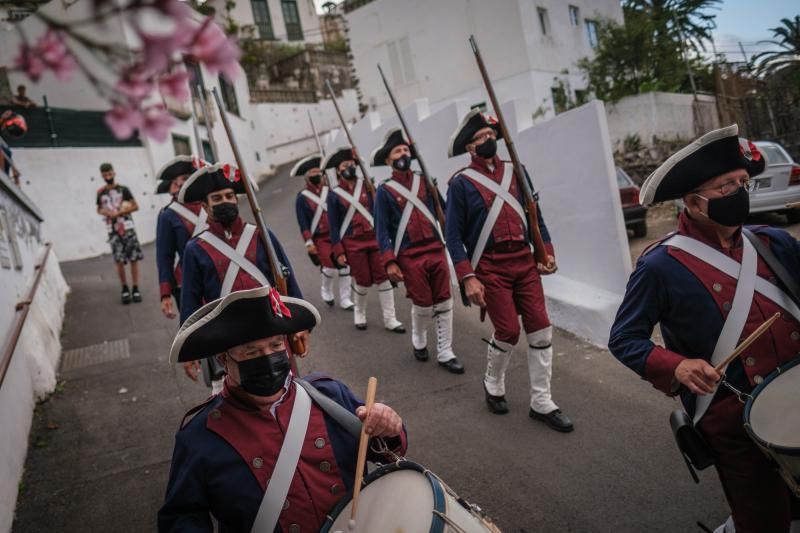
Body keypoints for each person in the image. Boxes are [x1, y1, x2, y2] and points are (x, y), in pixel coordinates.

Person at [609, 124, 800, 533]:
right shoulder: (660, 265)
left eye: (742, 182)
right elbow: (624, 339)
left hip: (798, 398)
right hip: (735, 420)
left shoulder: (774, 241)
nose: (739, 193)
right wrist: (675, 366)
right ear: (693, 203)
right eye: (725, 186)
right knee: (764, 519)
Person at [158, 286, 407, 532]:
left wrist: (387, 427)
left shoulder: (329, 395)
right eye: (252, 352)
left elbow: (384, 452)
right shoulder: (201, 436)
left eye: (276, 345)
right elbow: (182, 517)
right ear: (224, 360)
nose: (267, 357)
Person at [444, 109, 572, 433]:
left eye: (490, 136)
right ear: (470, 148)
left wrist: (549, 252)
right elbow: (454, 236)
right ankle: (493, 383)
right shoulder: (460, 183)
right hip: (489, 267)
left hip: (525, 262)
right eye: (479, 139)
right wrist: (467, 276)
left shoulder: (518, 171)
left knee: (541, 329)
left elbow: (535, 217)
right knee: (509, 332)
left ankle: (542, 401)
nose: (487, 141)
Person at [179, 163, 304, 394]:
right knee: (242, 400)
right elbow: (190, 301)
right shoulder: (195, 248)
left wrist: (300, 323)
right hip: (230, 337)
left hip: (271, 328)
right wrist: (189, 348)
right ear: (206, 207)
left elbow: (286, 276)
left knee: (288, 391)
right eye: (216, 198)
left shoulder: (261, 234)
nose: (225, 201)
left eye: (229, 196)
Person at [372, 128, 464, 374]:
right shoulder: (384, 191)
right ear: (388, 160)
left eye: (405, 150)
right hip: (409, 255)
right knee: (423, 304)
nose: (403, 154)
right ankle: (419, 338)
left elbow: (444, 212)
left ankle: (445, 351)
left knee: (444, 299)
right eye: (397, 151)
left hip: (435, 248)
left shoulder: (425, 180)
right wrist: (390, 261)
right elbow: (381, 231)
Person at [325, 146, 405, 333]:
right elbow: (334, 226)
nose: (350, 168)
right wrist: (339, 251)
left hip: (374, 238)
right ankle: (359, 313)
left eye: (352, 164)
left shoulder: (368, 185)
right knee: (361, 280)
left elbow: (380, 213)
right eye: (346, 165)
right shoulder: (334, 194)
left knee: (384, 278)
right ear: (338, 170)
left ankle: (390, 319)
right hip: (352, 243)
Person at [292, 153, 354, 310]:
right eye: (313, 174)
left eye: (318, 173)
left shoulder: (331, 192)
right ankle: (325, 289)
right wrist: (308, 242)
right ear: (307, 177)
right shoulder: (302, 198)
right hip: (320, 238)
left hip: (337, 234)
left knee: (345, 265)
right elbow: (303, 223)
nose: (317, 176)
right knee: (330, 267)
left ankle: (345, 298)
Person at [154, 156, 208, 321]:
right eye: (181, 180)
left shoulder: (210, 203)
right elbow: (165, 257)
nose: (184, 183)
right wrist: (165, 294)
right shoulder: (168, 214)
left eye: (188, 178)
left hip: (217, 273)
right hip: (186, 281)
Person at [96, 162, 143, 304]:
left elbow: (136, 206)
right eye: (105, 175)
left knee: (133, 258)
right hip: (113, 231)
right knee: (119, 261)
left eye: (109, 174)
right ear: (102, 176)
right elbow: (98, 208)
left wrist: (122, 211)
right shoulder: (100, 192)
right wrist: (105, 212)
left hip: (128, 228)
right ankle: (124, 288)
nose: (108, 177)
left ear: (114, 173)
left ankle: (135, 288)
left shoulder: (124, 189)